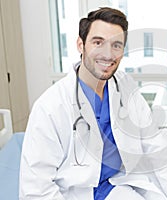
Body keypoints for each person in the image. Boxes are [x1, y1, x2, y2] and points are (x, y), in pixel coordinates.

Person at [19, 7, 159, 200]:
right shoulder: (50, 106)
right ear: (80, 44)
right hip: (70, 194)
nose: (108, 54)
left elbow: (152, 140)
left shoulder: (124, 86)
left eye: (116, 45)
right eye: (98, 42)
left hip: (114, 187)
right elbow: (36, 187)